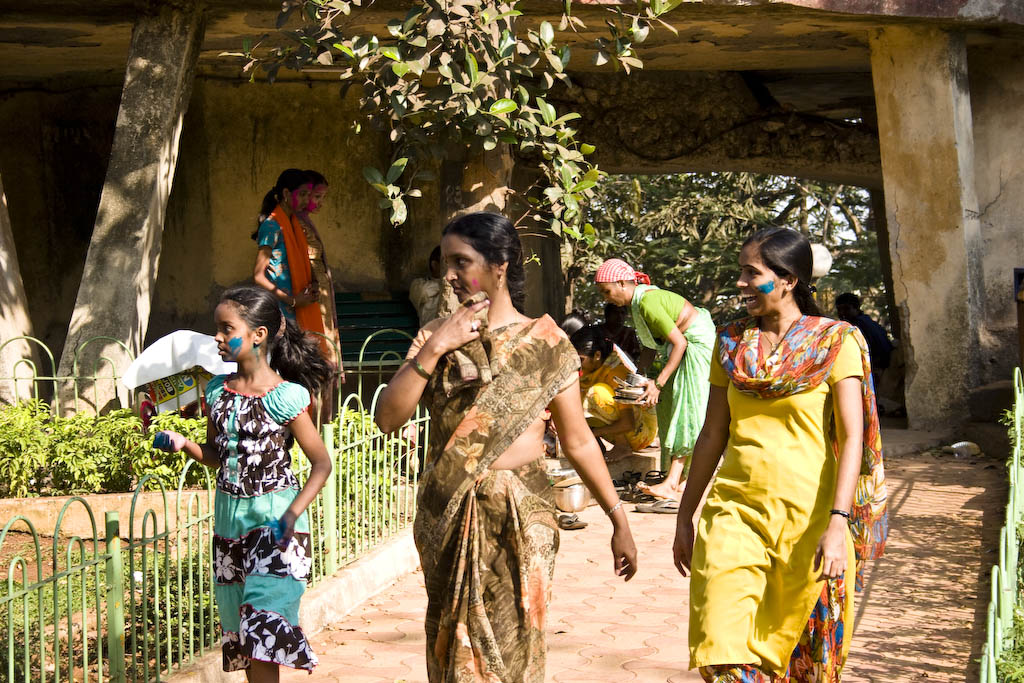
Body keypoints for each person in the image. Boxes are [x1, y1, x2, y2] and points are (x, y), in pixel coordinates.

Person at [374, 211, 638, 683]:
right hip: (450, 509)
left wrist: (619, 520)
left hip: (521, 516)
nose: (449, 275)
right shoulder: (435, 337)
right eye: (445, 263)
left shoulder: (548, 342)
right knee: (453, 649)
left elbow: (578, 440)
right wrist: (435, 348)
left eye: (461, 262)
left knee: (517, 647)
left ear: (500, 265)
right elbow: (388, 418)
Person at [673, 227, 888, 682]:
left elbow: (853, 437)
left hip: (810, 523)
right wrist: (684, 515)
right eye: (740, 273)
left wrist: (838, 523)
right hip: (734, 514)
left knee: (802, 658)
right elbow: (712, 434)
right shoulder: (730, 344)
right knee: (722, 648)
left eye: (752, 273)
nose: (741, 283)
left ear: (788, 279)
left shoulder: (835, 342)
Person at [152, 285, 335, 679]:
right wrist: (184, 444)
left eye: (226, 328)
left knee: (263, 627)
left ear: (258, 335)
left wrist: (292, 515)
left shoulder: (286, 396)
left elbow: (321, 464)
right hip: (229, 522)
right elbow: (218, 456)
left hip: (276, 522)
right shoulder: (217, 392)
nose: (217, 337)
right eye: (217, 328)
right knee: (243, 633)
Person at [594, 259, 715, 502]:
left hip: (695, 346)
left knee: (685, 411)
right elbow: (651, 346)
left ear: (621, 283)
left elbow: (680, 343)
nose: (606, 298)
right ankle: (681, 479)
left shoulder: (647, 302)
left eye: (606, 292)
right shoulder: (638, 304)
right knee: (668, 407)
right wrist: (638, 378)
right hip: (681, 347)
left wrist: (657, 384)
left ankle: (672, 483)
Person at [252, 170, 326, 343]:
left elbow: (304, 260)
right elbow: (258, 276)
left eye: (308, 195)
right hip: (281, 312)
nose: (306, 200)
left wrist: (314, 283)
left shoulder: (295, 225)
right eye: (302, 194)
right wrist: (292, 301)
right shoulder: (272, 226)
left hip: (300, 306)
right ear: (286, 193)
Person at [571, 325, 658, 460]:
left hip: (641, 434)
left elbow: (628, 423)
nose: (577, 364)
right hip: (619, 429)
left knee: (596, 393)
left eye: (581, 359)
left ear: (597, 355)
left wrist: (593, 433)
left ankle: (622, 446)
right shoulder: (589, 372)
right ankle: (597, 446)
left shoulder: (616, 373)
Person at [297, 170, 344, 379]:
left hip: (319, 290)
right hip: (311, 290)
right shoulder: (297, 223)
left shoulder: (304, 221)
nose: (320, 203)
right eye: (317, 196)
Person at [835, 292, 893, 386]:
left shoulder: (857, 326)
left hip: (876, 370)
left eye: (846, 309)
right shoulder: (867, 321)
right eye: (839, 310)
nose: (842, 313)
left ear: (856, 308)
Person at [409, 245, 460, 326]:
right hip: (432, 328)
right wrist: (445, 285)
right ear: (435, 265)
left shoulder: (457, 283)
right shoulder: (419, 284)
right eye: (446, 263)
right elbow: (423, 292)